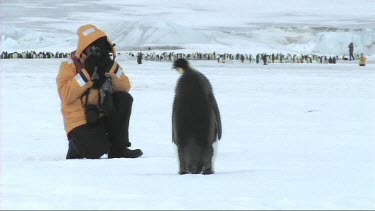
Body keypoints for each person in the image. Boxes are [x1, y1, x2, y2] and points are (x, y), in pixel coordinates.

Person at [57, 24, 143, 159]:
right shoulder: (70, 66)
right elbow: (66, 95)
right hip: (80, 120)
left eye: (100, 48)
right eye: (93, 48)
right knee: (95, 150)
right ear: (84, 49)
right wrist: (86, 73)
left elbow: (125, 87)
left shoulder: (108, 64)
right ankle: (75, 145)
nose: (97, 52)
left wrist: (112, 68)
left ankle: (118, 148)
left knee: (124, 98)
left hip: (101, 113)